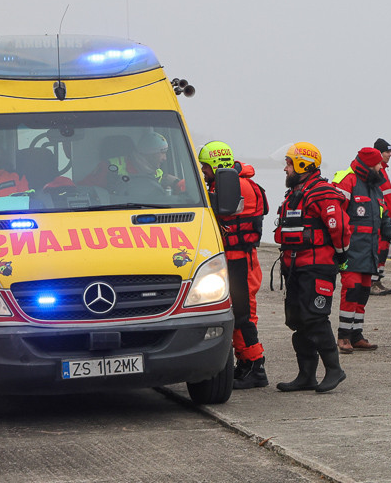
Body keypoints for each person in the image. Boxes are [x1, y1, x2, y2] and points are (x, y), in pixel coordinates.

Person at [274, 142, 351, 393]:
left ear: (302, 165)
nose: (285, 168)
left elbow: (338, 228)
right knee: (297, 320)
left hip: (317, 266)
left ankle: (334, 370)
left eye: (288, 163)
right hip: (296, 267)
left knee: (315, 318)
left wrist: (341, 257)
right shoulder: (296, 192)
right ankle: (306, 375)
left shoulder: (322, 193)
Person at [198, 141, 269, 389]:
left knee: (242, 315)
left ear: (216, 166)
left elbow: (219, 212)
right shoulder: (233, 184)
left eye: (205, 168)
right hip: (237, 259)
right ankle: (246, 363)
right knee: (239, 314)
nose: (203, 172)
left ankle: (255, 366)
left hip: (241, 260)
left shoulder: (235, 187)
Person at [333, 147, 391, 353]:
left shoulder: (374, 186)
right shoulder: (348, 181)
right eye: (379, 164)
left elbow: (383, 219)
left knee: (363, 292)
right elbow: (335, 215)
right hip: (351, 250)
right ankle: (343, 336)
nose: (382, 168)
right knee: (351, 290)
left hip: (369, 251)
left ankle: (356, 335)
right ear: (369, 165)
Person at [79, 131, 186, 194]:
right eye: (162, 153)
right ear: (148, 153)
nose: (165, 158)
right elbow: (84, 190)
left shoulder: (158, 173)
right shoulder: (108, 167)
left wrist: (177, 183)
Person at [370, 138, 391, 296]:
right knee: (378, 249)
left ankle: (377, 280)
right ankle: (373, 282)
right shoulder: (376, 172)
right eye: (387, 152)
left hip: (386, 216)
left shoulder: (382, 170)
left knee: (382, 250)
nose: (390, 155)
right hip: (380, 217)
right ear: (379, 153)